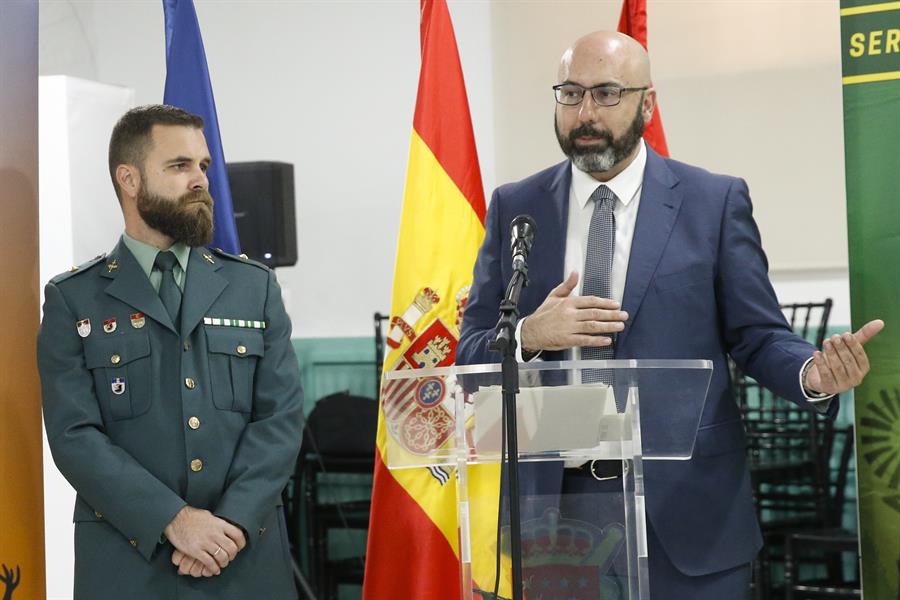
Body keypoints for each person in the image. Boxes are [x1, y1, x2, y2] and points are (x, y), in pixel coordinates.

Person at [457, 31, 883, 599]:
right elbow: (469, 349)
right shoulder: (518, 206)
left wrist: (813, 374)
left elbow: (758, 336)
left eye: (607, 93)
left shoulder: (713, 201)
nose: (586, 112)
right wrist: (531, 334)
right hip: (552, 513)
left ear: (647, 103)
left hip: (686, 508)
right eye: (570, 93)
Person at [37, 105, 304, 599]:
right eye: (179, 166)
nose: (200, 180)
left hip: (243, 558)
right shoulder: (74, 298)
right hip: (129, 562)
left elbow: (280, 420)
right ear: (129, 179)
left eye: (203, 166)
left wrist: (231, 527)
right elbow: (74, 436)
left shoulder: (254, 287)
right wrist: (174, 521)